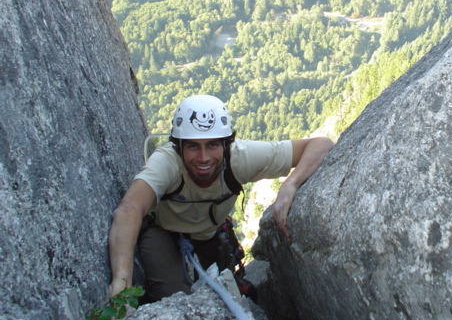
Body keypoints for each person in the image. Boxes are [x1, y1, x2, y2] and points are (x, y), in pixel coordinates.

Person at [108, 94, 333, 302]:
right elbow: (130, 209)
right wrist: (122, 281)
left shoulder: (238, 158)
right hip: (164, 233)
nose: (204, 158)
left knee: (227, 296)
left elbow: (321, 144)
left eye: (212, 145)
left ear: (226, 144)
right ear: (179, 146)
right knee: (176, 300)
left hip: (209, 236)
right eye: (193, 146)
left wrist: (290, 185)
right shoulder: (167, 163)